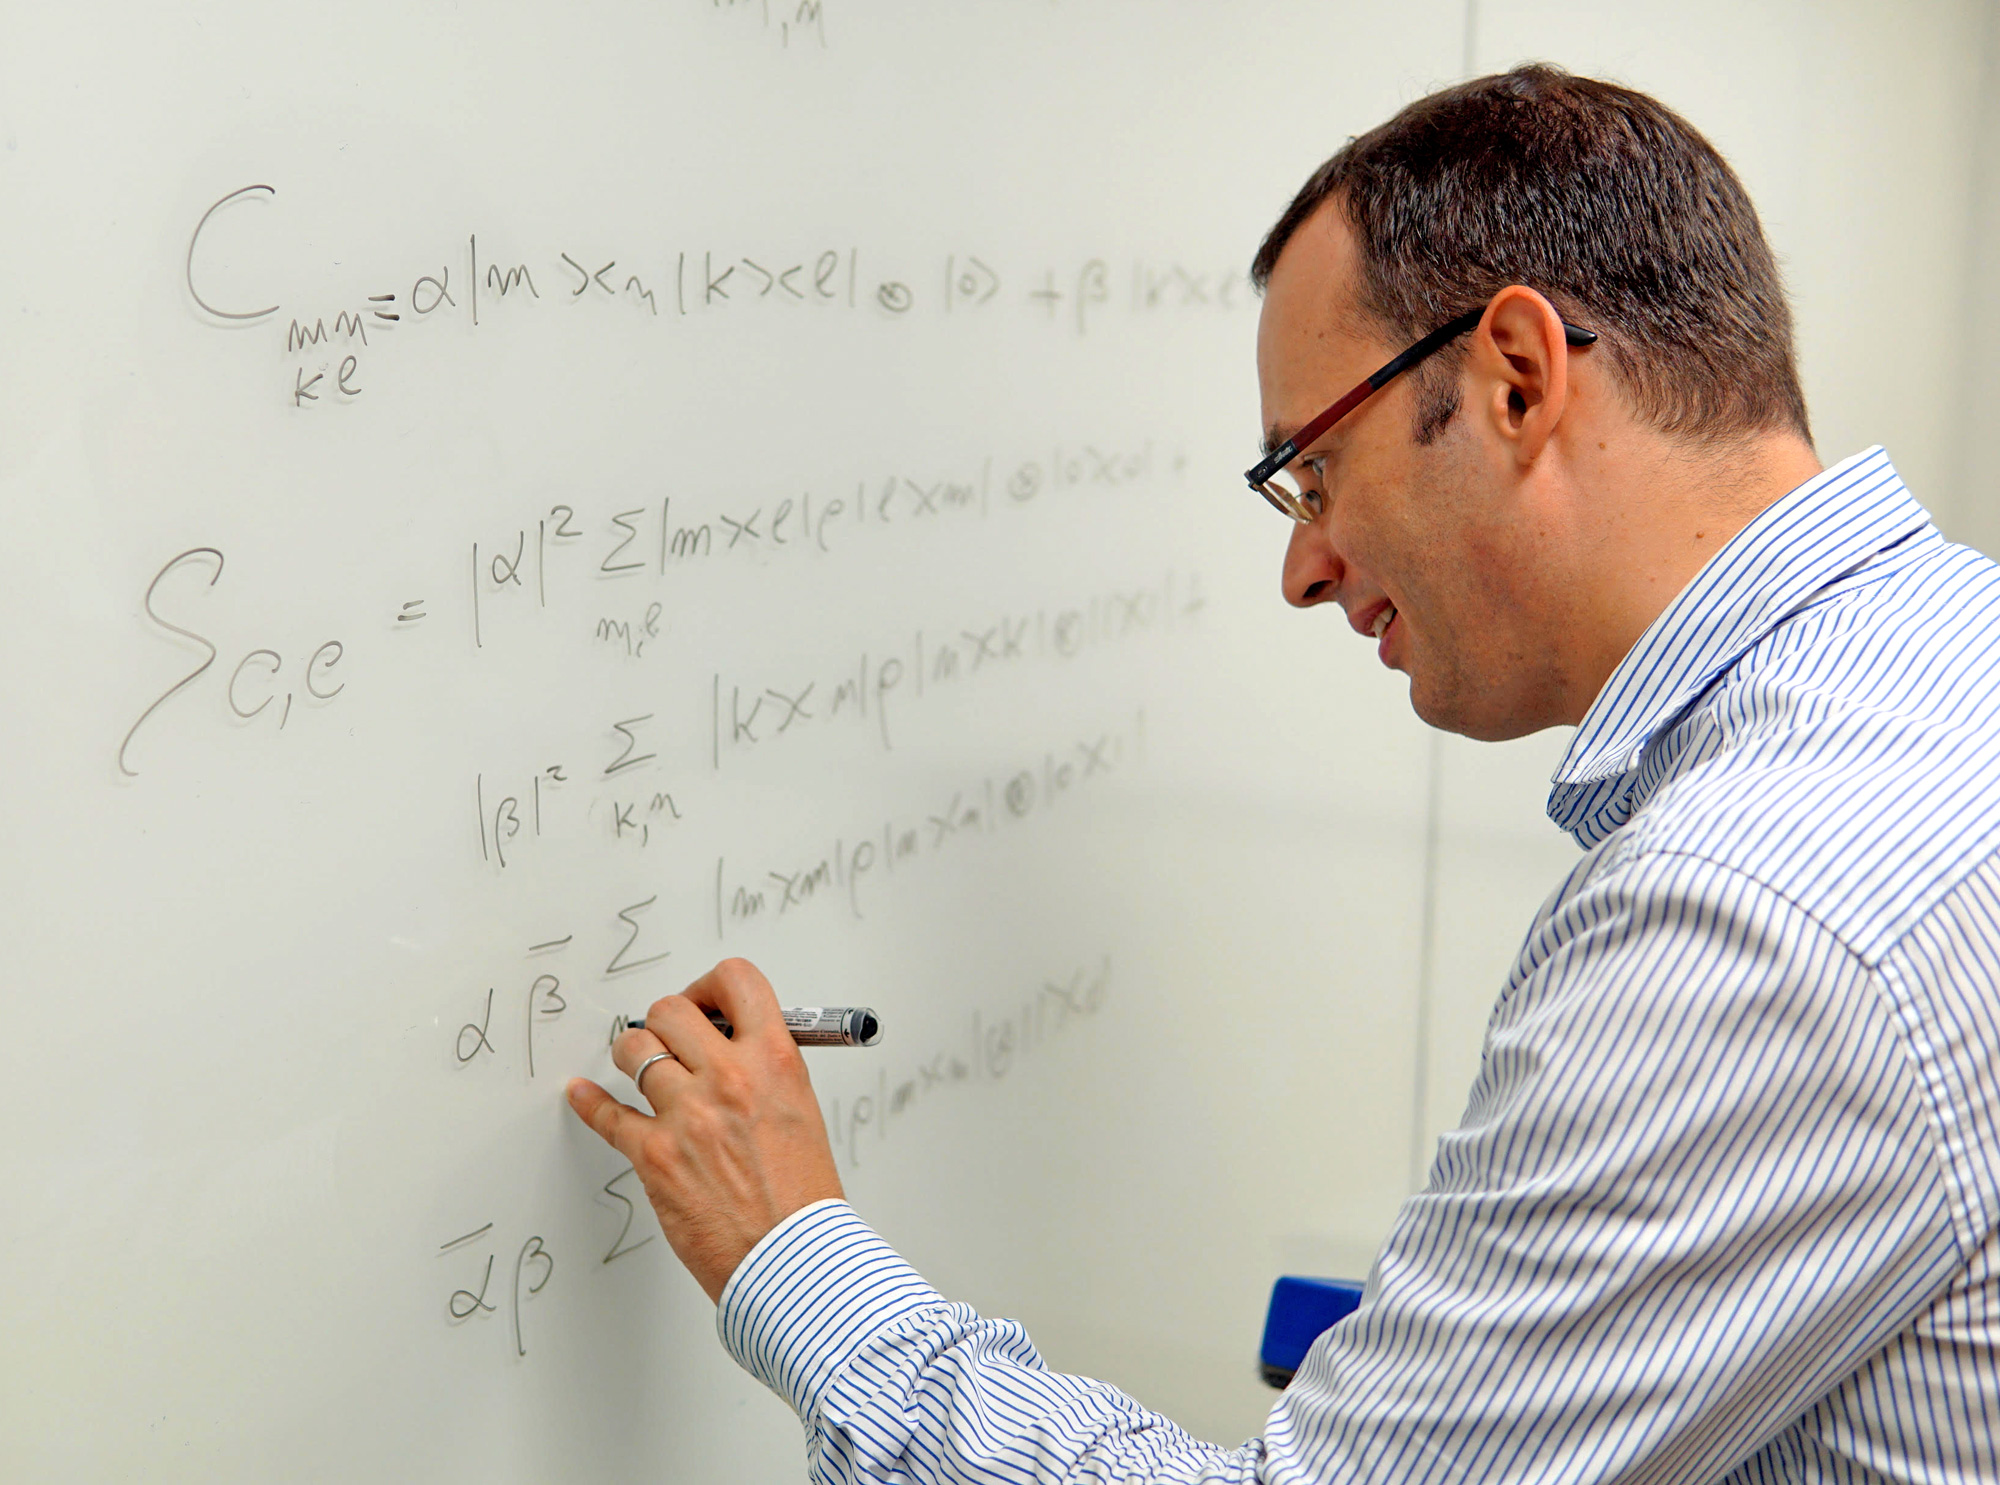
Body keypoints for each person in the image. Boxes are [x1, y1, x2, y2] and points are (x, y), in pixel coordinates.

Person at [566, 66, 2000, 1482]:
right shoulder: (1946, 652)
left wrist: (793, 1250)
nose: (1304, 569)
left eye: (1314, 472)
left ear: (1517, 378)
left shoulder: (1753, 916)